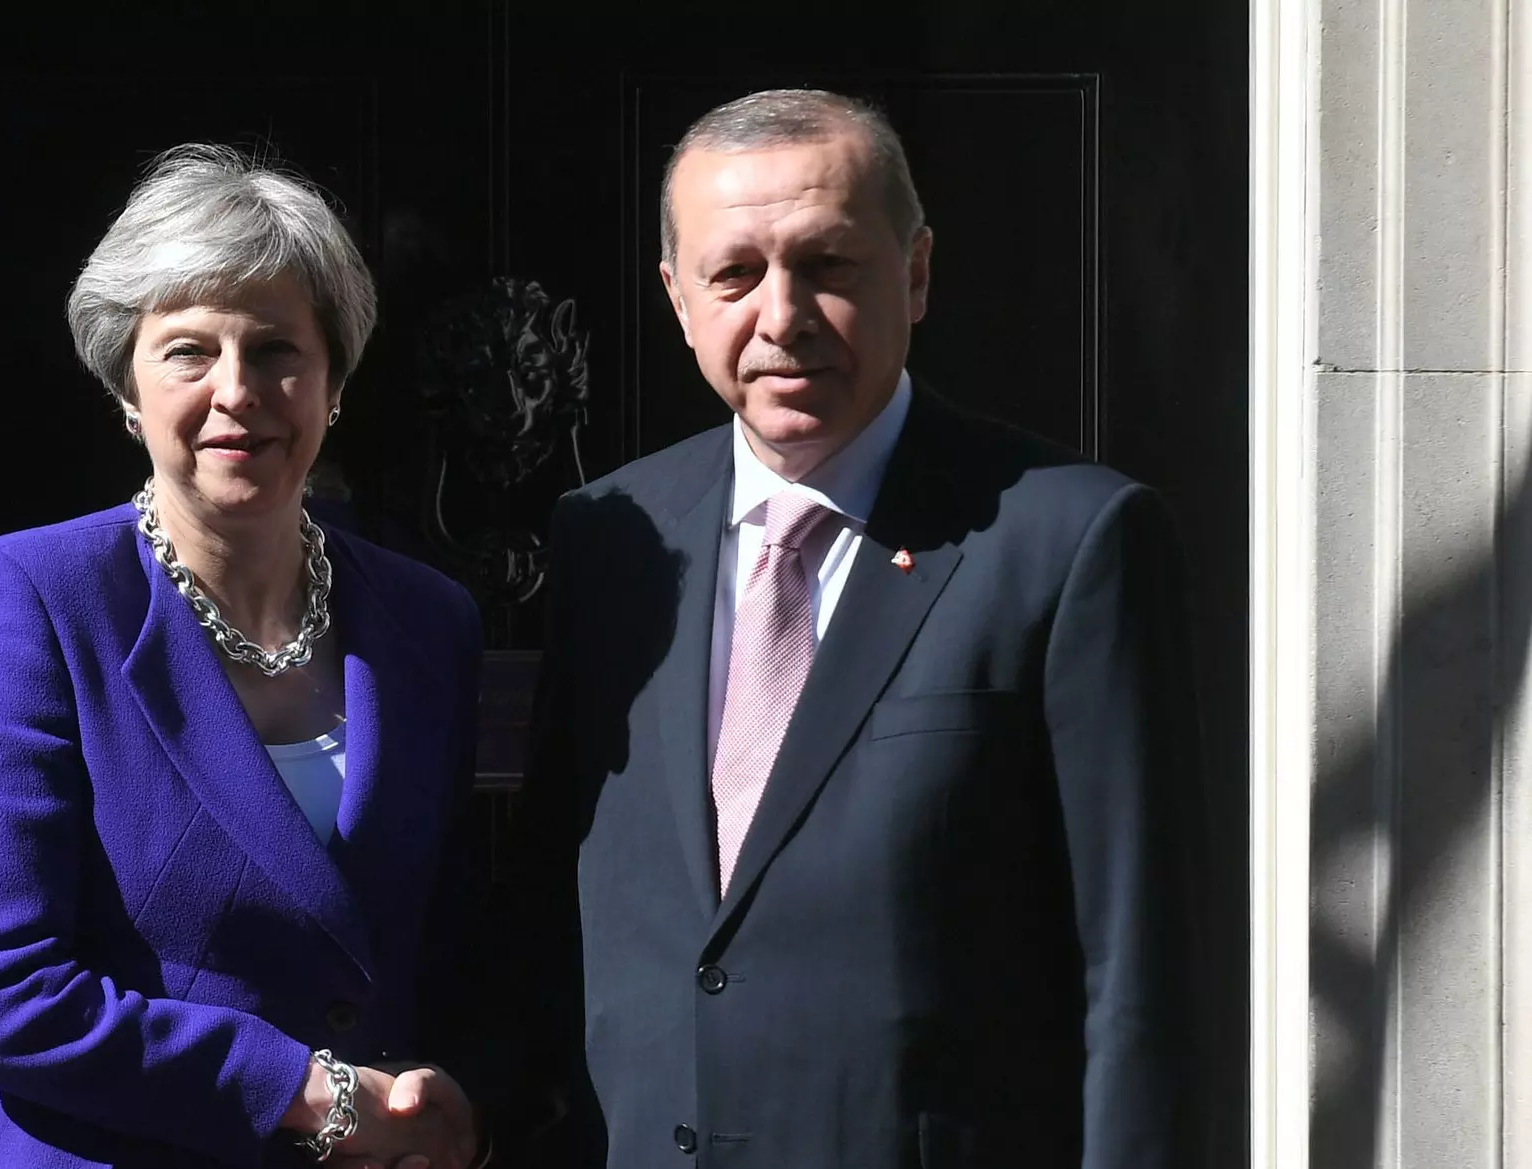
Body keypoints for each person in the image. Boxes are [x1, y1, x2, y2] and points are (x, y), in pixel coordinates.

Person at [505, 90, 1210, 1167]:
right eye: (734, 275)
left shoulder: (1071, 542)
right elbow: (551, 905)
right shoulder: (608, 538)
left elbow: (1139, 970)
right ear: (678, 299)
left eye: (826, 264)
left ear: (915, 273)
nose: (780, 315)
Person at [0, 144, 483, 1169]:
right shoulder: (31, 596)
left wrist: (464, 1102)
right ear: (127, 387)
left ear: (333, 382)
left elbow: (449, 937)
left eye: (276, 349)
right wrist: (305, 1091)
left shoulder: (428, 620)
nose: (236, 391)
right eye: (187, 351)